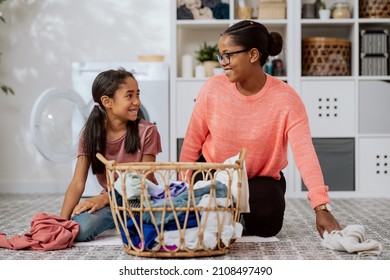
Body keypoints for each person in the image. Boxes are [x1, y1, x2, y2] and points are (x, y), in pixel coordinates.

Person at [179, 20, 341, 238]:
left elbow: (305, 154)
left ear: (253, 55)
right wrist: (182, 188)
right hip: (213, 172)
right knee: (199, 217)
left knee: (268, 223)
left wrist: (321, 207)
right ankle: (231, 215)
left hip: (259, 179)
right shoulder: (212, 88)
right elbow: (192, 141)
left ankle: (234, 216)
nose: (223, 63)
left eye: (228, 55)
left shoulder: (286, 98)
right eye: (221, 56)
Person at [60, 68, 162, 242]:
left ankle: (127, 220)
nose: (137, 102)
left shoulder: (148, 131)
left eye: (137, 94)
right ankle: (122, 220)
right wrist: (60, 223)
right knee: (79, 228)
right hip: (113, 203)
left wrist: (104, 198)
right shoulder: (90, 135)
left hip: (143, 199)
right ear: (107, 102)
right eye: (129, 96)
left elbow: (143, 180)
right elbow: (77, 182)